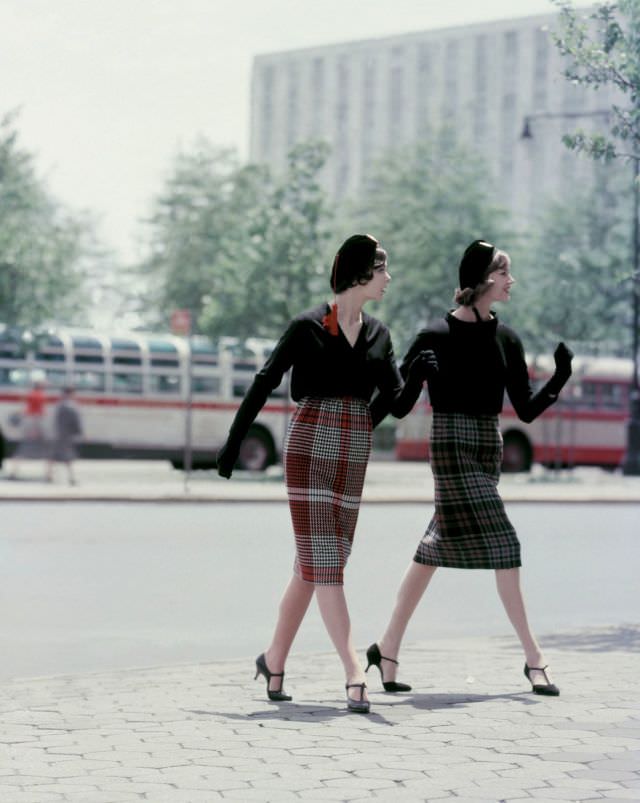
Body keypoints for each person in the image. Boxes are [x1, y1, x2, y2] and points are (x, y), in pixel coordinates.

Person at [216, 234, 436, 713]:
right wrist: (234, 443)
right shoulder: (309, 326)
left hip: (354, 449)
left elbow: (394, 406)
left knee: (316, 564)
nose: (389, 278)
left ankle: (274, 661)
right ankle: (355, 671)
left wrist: (416, 375)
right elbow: (265, 380)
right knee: (326, 562)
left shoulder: (379, 334)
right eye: (383, 269)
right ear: (361, 274)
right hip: (309, 446)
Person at [367, 239, 573, 697]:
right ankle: (534, 658)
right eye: (504, 274)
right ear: (482, 279)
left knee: (432, 549)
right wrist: (415, 376)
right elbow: (399, 406)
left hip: (487, 445)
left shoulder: (508, 338)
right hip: (450, 447)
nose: (511, 282)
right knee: (506, 542)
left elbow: (525, 410)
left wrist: (559, 377)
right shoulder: (432, 336)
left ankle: (387, 647)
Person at [7, 379, 48, 479]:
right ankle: (48, 475)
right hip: (34, 424)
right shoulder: (40, 396)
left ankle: (13, 472)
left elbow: (26, 409)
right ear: (40, 386)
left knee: (23, 449)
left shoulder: (31, 394)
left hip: (29, 423)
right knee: (46, 450)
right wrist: (35, 429)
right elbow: (38, 413)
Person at [47, 387, 83, 485]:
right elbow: (76, 421)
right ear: (71, 394)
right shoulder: (71, 406)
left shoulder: (60, 405)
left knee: (54, 456)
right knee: (67, 457)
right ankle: (71, 478)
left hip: (59, 434)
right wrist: (79, 432)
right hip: (66, 435)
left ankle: (49, 475)